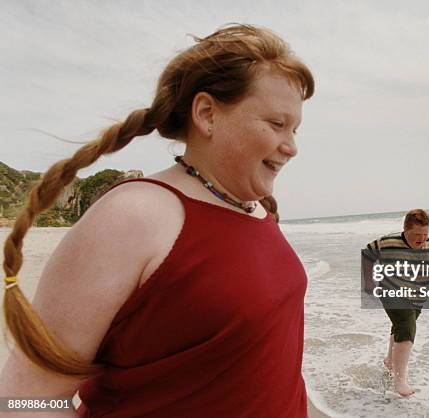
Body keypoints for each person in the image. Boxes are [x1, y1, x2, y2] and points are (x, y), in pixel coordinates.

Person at [0, 24, 314, 417]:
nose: (292, 147)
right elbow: (25, 397)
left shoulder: (258, 209)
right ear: (207, 114)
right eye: (276, 124)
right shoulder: (135, 215)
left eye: (296, 129)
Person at [362, 209, 429, 397]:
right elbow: (367, 254)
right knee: (407, 327)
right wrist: (369, 281)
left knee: (401, 326)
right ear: (405, 229)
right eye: (416, 235)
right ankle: (399, 380)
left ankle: (390, 360)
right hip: (391, 291)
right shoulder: (387, 243)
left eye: (425, 234)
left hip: (418, 296)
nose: (421, 239)